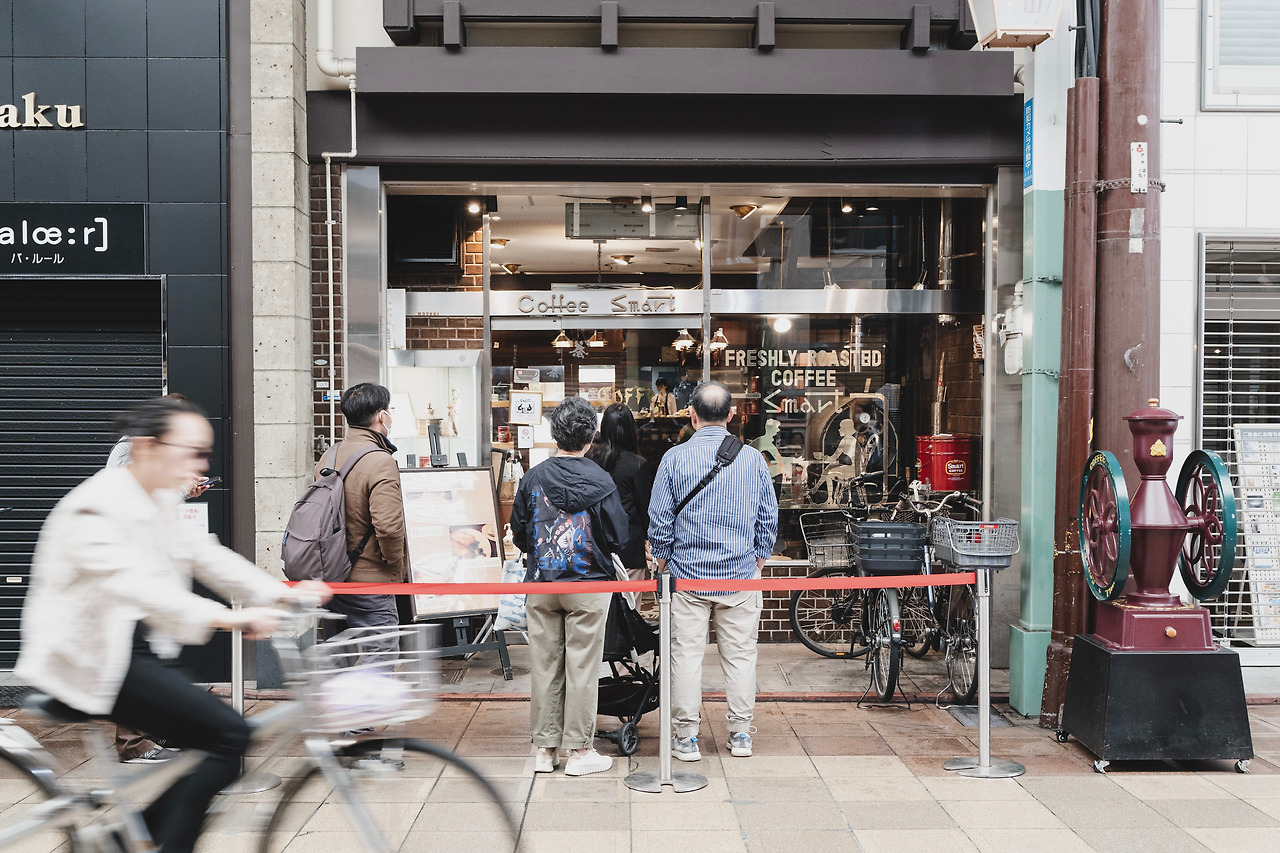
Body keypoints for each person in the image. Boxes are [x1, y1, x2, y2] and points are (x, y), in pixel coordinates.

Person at [16, 396, 329, 853]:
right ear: (147, 447)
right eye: (190, 451)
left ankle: (127, 838)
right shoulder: (96, 506)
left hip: (130, 649)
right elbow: (139, 587)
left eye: (203, 453)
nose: (199, 464)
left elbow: (204, 554)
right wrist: (230, 617)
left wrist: (279, 592)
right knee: (229, 736)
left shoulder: (155, 497)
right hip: (89, 657)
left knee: (217, 739)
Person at [648, 381, 778, 761]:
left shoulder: (673, 459)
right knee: (741, 656)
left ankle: (686, 738)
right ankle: (741, 734)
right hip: (740, 575)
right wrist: (757, 561)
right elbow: (768, 519)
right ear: (732, 415)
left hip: (687, 577)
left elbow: (659, 521)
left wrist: (663, 563)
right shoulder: (752, 460)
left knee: (685, 657)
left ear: (691, 415)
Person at [509, 396, 629, 777]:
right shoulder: (602, 480)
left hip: (542, 583)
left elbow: (519, 531)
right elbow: (618, 535)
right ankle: (579, 752)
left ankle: (545, 751)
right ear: (591, 438)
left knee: (544, 665)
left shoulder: (533, 477)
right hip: (589, 585)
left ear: (553, 433)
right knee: (582, 667)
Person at [104, 399, 215, 766]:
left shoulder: (156, 453)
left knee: (153, 659)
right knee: (136, 660)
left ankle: (153, 731)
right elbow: (138, 505)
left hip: (147, 575)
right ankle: (134, 743)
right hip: (126, 580)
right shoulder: (130, 453)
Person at [319, 383, 408, 646]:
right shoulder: (381, 462)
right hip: (370, 580)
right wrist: (394, 565)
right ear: (382, 415)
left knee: (338, 653)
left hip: (332, 573)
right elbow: (389, 527)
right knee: (381, 651)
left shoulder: (328, 456)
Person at [588, 403, 654, 588]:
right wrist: (649, 538)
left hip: (595, 547)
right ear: (631, 429)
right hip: (629, 547)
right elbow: (644, 508)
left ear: (604, 427)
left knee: (600, 604)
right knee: (630, 603)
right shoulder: (638, 464)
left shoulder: (590, 459)